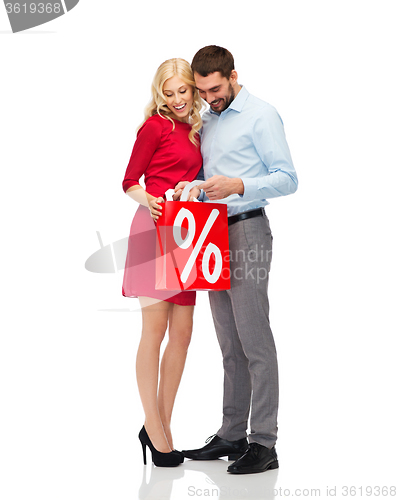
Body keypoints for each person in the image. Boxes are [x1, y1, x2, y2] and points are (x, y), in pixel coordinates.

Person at [177, 46, 298, 474]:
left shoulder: (261, 114)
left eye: (215, 88)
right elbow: (204, 173)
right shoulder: (207, 119)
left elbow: (288, 178)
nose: (209, 98)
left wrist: (239, 185)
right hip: (208, 233)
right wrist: (190, 186)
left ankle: (264, 443)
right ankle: (232, 434)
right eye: (203, 90)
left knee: (254, 338)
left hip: (246, 228)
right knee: (229, 341)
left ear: (232, 75)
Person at [121, 58, 204, 467]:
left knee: (184, 333)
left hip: (186, 233)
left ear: (193, 90)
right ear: (160, 94)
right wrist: (148, 199)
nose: (176, 100)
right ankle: (155, 430)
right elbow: (129, 180)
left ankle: (162, 425)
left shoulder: (199, 131)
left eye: (183, 92)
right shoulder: (155, 127)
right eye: (168, 93)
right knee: (154, 330)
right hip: (154, 228)